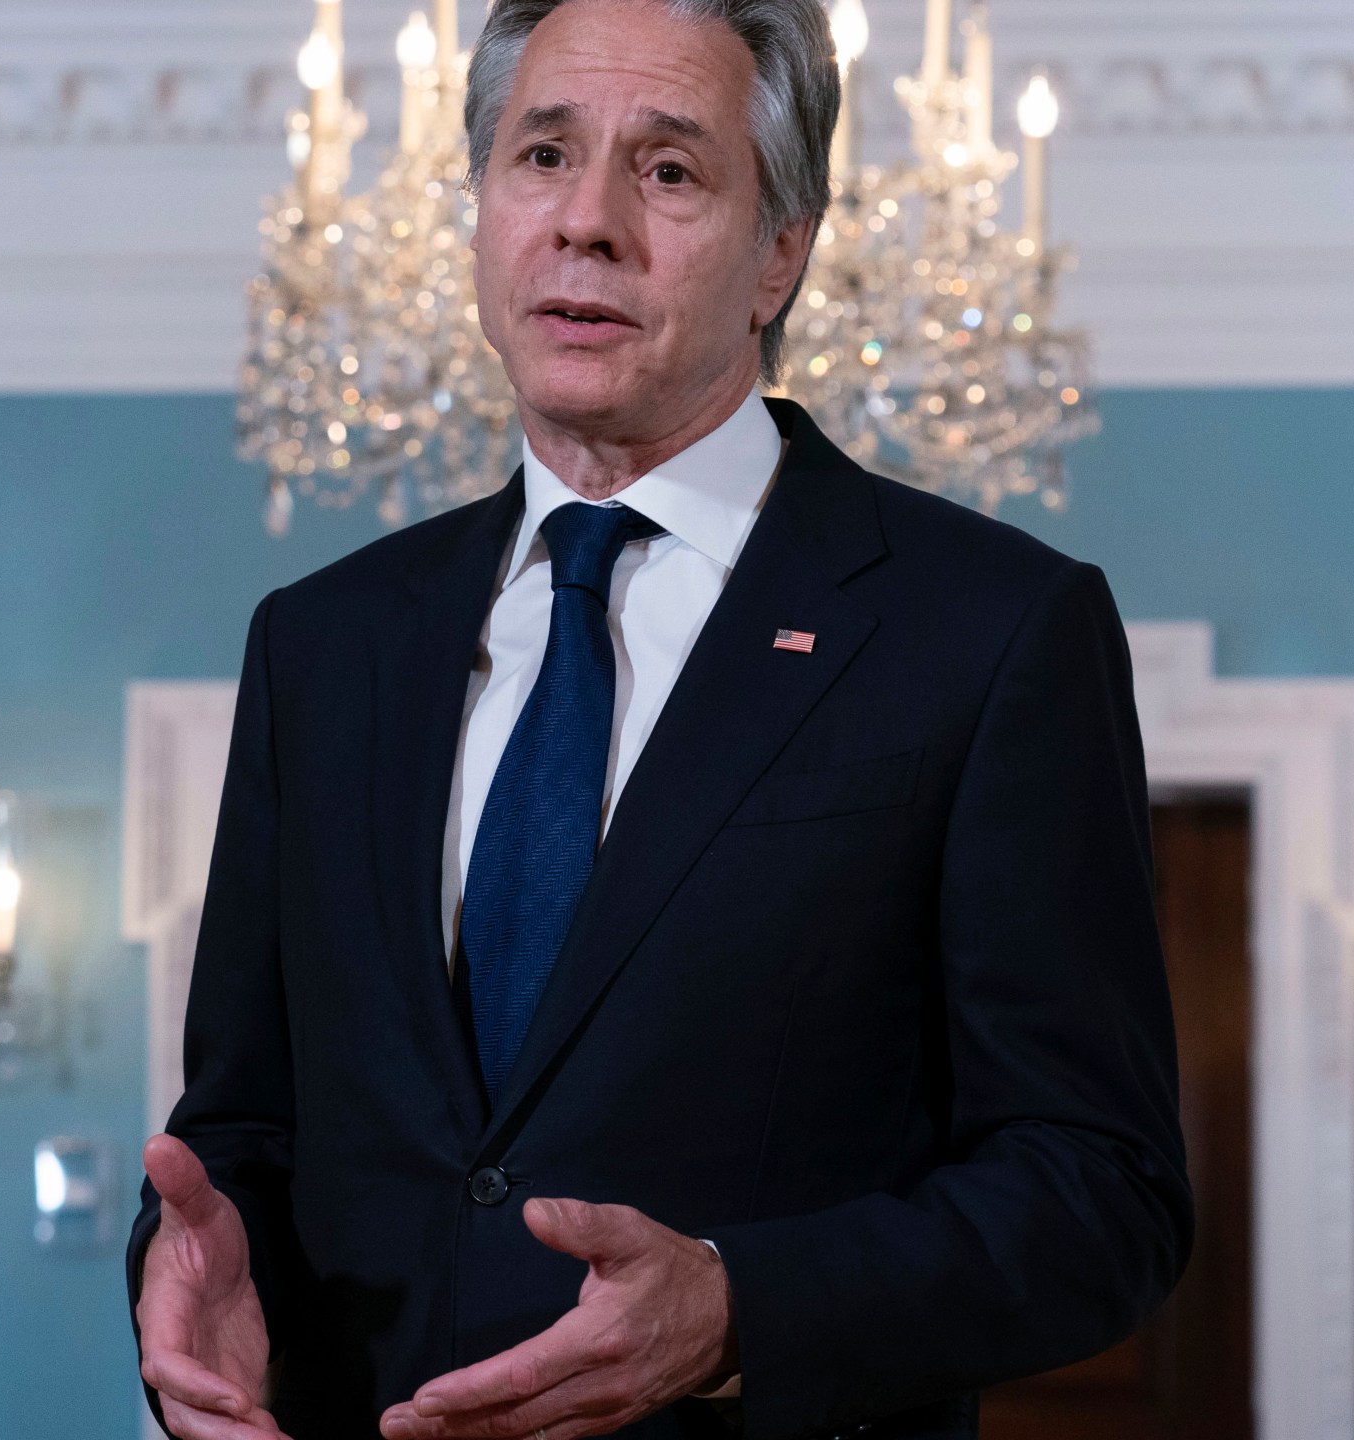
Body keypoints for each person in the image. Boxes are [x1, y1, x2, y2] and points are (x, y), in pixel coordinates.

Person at [127, 1, 1191, 1436]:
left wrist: (744, 1306)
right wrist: (189, 1261)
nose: (589, 223)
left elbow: (1099, 1193)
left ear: (781, 253)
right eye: (543, 155)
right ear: (481, 208)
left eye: (671, 172)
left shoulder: (989, 631)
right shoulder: (323, 643)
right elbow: (244, 1129)